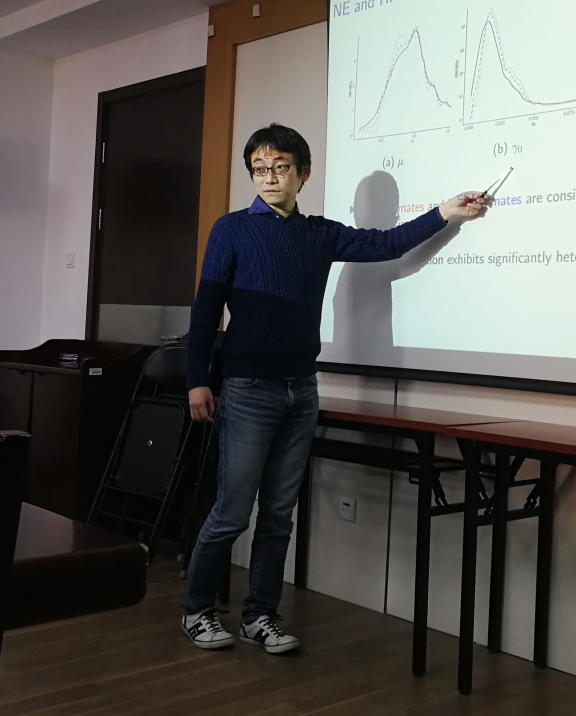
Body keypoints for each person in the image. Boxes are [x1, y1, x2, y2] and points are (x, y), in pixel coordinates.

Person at [179, 123, 487, 653]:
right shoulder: (231, 230)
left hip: (302, 389)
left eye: (280, 167)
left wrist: (447, 213)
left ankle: (260, 616)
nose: (269, 177)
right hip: (248, 388)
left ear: (303, 173)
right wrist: (197, 380)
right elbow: (206, 311)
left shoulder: (320, 234)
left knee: (279, 515)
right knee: (232, 512)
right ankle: (197, 610)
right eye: (259, 169)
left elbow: (388, 244)